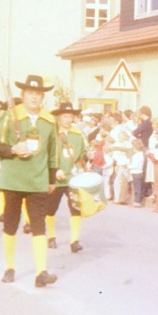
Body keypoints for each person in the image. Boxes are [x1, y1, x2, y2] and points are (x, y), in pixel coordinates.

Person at [0, 75, 58, 287]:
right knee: (11, 224)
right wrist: (12, 149)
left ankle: (41, 272)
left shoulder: (49, 121)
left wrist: (51, 178)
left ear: (42, 98)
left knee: (39, 226)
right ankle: (10, 267)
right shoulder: (9, 117)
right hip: (13, 181)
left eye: (38, 94)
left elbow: (53, 152)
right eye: (30, 94)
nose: (34, 98)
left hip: (37, 181)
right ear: (22, 95)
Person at [46, 101, 87, 252]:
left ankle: (74, 241)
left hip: (72, 178)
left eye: (70, 116)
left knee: (76, 208)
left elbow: (83, 154)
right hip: (55, 178)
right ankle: (51, 236)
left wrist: (87, 158)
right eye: (65, 116)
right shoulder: (52, 133)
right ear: (58, 117)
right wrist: (54, 170)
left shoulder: (78, 134)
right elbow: (45, 154)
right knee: (50, 209)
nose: (68, 119)